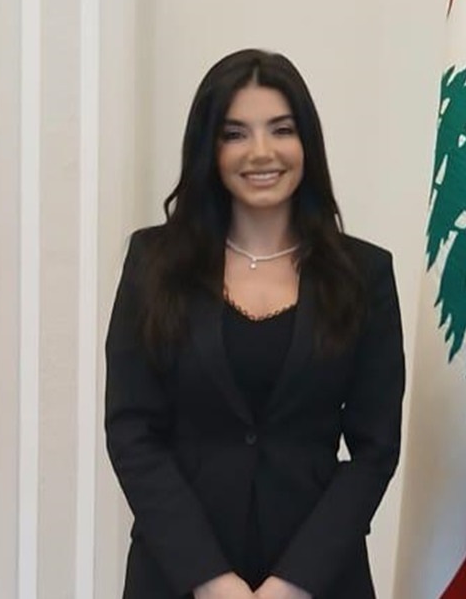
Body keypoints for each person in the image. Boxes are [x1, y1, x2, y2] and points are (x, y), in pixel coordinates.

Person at [105, 49, 405, 599]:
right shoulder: (153, 264)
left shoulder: (364, 274)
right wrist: (209, 580)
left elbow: (376, 448)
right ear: (209, 149)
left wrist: (294, 584)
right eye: (235, 134)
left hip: (319, 578)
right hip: (177, 575)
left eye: (281, 130)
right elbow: (132, 431)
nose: (261, 152)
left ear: (307, 143)